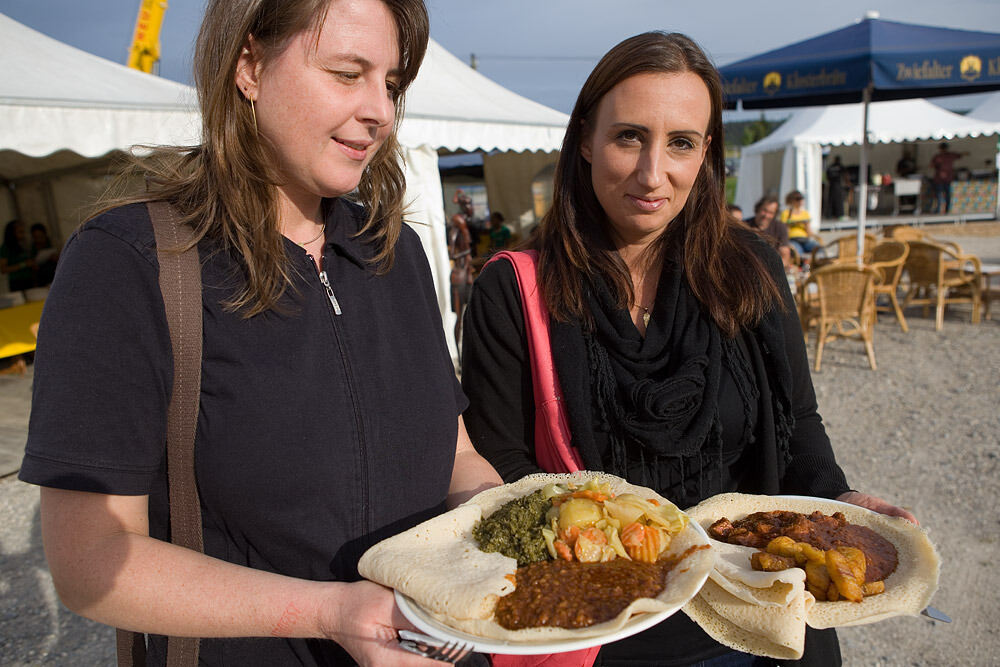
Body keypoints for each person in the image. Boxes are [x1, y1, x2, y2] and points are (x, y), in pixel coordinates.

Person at [17, 1, 501, 665]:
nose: (380, 111)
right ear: (248, 65)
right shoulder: (130, 261)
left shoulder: (395, 252)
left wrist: (509, 516)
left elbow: (456, 453)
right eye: (346, 73)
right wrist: (329, 610)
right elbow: (90, 560)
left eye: (390, 84)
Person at [460, 31, 915, 667]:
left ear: (706, 153)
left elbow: (795, 424)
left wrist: (840, 501)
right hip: (608, 626)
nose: (654, 174)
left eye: (680, 143)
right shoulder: (513, 290)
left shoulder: (751, 265)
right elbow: (502, 462)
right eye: (628, 137)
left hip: (761, 609)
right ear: (585, 139)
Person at [449, 211, 475, 355]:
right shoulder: (454, 232)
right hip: (459, 275)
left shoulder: (464, 230)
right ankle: (459, 355)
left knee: (470, 314)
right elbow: (452, 254)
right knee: (459, 318)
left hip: (467, 274)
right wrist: (466, 253)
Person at [745, 195, 792, 268]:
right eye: (764, 211)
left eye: (771, 213)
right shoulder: (744, 226)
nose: (766, 215)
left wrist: (774, 269)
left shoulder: (780, 227)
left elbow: (785, 254)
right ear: (758, 209)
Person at [780, 190, 820, 260]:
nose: (800, 201)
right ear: (791, 200)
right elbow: (784, 230)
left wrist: (806, 225)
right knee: (797, 253)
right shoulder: (786, 213)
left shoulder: (805, 213)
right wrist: (791, 223)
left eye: (801, 198)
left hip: (805, 239)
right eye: (797, 199)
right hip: (793, 239)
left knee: (819, 249)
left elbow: (809, 232)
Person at [930, 142, 967, 214]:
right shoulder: (941, 156)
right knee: (943, 195)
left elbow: (959, 155)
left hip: (944, 179)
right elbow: (931, 165)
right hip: (941, 179)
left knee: (943, 195)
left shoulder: (943, 156)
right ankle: (942, 210)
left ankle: (942, 210)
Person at [1, 219, 35, 292]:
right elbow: (3, 269)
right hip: (17, 282)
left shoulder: (24, 245)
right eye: (20, 232)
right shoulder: (6, 248)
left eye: (23, 232)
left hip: (29, 279)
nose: (23, 235)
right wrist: (24, 264)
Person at [29, 223, 59, 287]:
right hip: (40, 278)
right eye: (36, 237)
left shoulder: (51, 243)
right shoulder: (31, 248)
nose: (38, 240)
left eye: (40, 237)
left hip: (52, 276)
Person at [825, 155, 846, 219]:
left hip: (831, 186)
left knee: (831, 200)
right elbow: (845, 175)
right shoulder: (840, 166)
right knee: (839, 201)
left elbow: (827, 177)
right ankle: (839, 215)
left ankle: (829, 215)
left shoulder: (830, 167)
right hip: (838, 185)